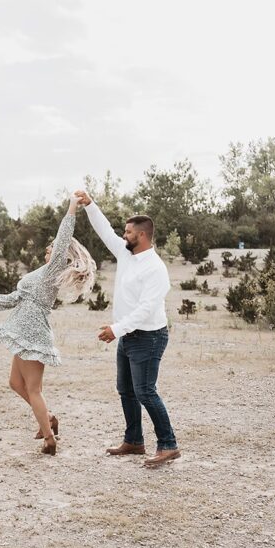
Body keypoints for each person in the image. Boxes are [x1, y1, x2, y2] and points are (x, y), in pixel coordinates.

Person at [0, 195, 96, 456]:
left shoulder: (53, 270)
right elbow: (17, 297)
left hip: (33, 333)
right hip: (21, 331)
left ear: (61, 255)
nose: (47, 251)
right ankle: (49, 419)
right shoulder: (38, 274)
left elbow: (64, 235)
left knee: (33, 389)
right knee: (15, 383)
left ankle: (50, 439)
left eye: (51, 249)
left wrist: (71, 209)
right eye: (47, 249)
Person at [74, 189, 180, 468]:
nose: (123, 236)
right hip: (127, 334)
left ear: (142, 236)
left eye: (128, 232)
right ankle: (134, 441)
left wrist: (116, 329)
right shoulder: (125, 253)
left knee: (145, 390)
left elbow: (145, 310)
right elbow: (105, 231)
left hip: (149, 337)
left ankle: (168, 445)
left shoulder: (155, 269)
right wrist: (90, 205)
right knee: (126, 389)